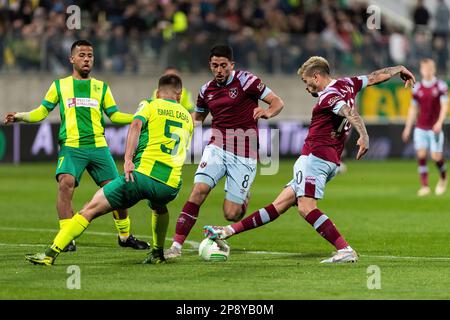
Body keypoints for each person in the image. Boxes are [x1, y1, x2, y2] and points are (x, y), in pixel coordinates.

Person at [204, 56, 416, 263]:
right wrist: (399, 68)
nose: (307, 88)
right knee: (279, 204)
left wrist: (364, 136)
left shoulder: (329, 96)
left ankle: (345, 249)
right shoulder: (347, 84)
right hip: (329, 159)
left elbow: (348, 111)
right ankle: (226, 231)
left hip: (316, 157)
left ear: (316, 77)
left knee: (306, 207)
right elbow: (373, 77)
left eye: (306, 82)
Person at [25, 74, 194, 266]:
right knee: (159, 207)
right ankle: (157, 253)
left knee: (90, 208)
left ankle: (50, 253)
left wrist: (128, 159)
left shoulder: (150, 104)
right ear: (180, 95)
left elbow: (136, 124)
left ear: (157, 92)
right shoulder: (188, 118)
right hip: (170, 185)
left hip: (141, 176)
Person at [3, 40, 148, 251]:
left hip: (98, 147)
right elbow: (42, 112)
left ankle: (125, 237)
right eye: (82, 55)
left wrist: (137, 118)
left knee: (117, 191)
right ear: (72, 59)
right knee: (65, 184)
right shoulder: (59, 86)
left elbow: (114, 115)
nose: (87, 58)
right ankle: (66, 237)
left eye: (90, 55)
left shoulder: (101, 87)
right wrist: (20, 116)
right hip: (71, 147)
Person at [165, 44, 284, 259]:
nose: (219, 70)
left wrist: (267, 112)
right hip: (217, 147)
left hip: (245, 152)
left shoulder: (248, 81)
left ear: (232, 65)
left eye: (223, 66)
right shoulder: (206, 90)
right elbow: (198, 117)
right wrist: (179, 122)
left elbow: (278, 102)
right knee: (199, 190)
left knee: (231, 214)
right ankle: (176, 246)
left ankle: (243, 197)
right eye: (214, 66)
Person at [402, 58, 448, 196]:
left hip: (434, 128)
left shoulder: (440, 86)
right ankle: (425, 186)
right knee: (421, 155)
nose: (427, 71)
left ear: (433, 69)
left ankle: (443, 177)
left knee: (436, 157)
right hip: (420, 127)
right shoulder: (418, 88)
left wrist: (440, 122)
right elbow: (413, 109)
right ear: (421, 70)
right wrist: (408, 127)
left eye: (430, 68)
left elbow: (445, 106)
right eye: (424, 69)